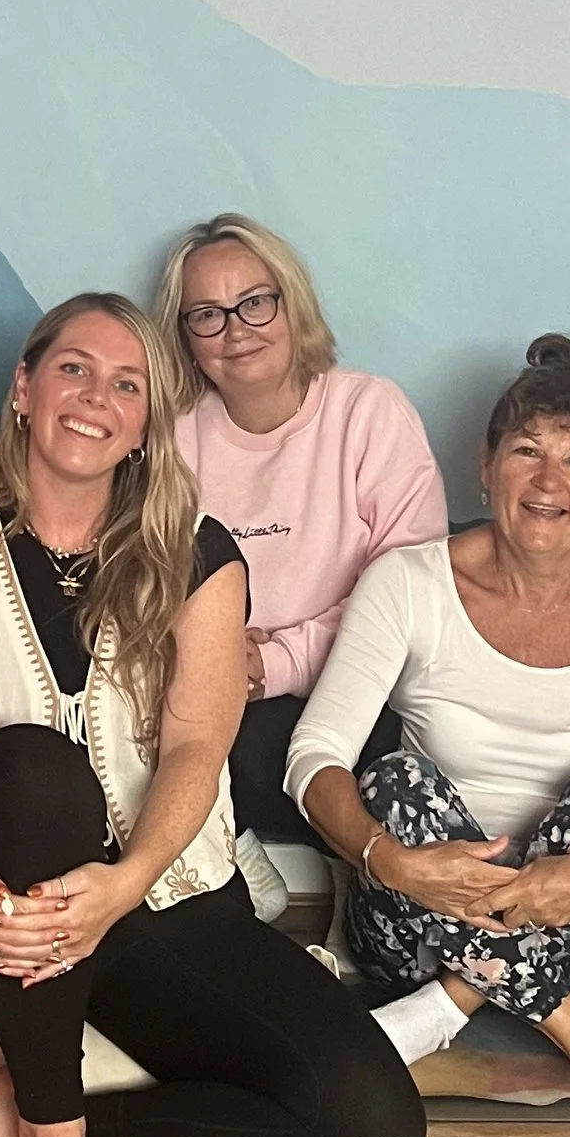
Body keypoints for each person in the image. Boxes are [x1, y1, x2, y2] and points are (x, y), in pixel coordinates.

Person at [0, 293, 426, 1137]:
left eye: (127, 384)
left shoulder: (197, 554)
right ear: (25, 389)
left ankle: (19, 1127)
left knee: (373, 1129)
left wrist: (126, 880)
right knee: (33, 773)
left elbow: (199, 744)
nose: (95, 398)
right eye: (73, 369)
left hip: (162, 905)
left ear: (147, 421)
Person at [287, 335, 570, 1136]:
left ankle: (447, 1005)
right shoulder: (407, 582)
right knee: (392, 780)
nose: (546, 480)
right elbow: (313, 758)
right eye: (526, 451)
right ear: (486, 464)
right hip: (417, 921)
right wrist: (391, 859)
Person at [157, 213, 446, 854]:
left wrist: (275, 662)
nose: (236, 332)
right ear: (184, 336)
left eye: (255, 303)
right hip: (208, 689)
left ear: (292, 302)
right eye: (207, 315)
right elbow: (143, 581)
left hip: (355, 692)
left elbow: (413, 601)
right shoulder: (169, 436)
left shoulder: (368, 412)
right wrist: (215, 659)